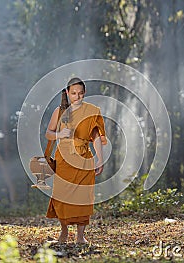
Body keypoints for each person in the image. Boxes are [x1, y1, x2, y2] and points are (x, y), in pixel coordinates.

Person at [45, 77, 107, 243]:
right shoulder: (59, 111)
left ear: (84, 93)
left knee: (83, 197)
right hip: (64, 158)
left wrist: (100, 159)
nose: (77, 97)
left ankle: (80, 236)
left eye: (80, 93)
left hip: (84, 158)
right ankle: (63, 233)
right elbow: (48, 133)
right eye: (73, 93)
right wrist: (59, 134)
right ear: (67, 93)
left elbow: (95, 138)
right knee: (62, 196)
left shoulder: (92, 111)